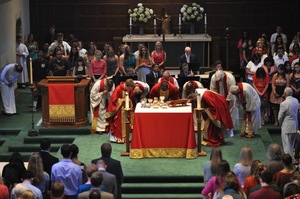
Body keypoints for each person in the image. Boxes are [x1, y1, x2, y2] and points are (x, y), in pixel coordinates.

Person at [106, 79, 135, 143]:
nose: (130, 90)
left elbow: (131, 97)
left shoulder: (129, 89)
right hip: (119, 110)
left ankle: (126, 137)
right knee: (118, 123)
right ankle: (118, 138)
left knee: (127, 122)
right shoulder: (118, 89)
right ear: (127, 86)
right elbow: (114, 100)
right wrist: (122, 100)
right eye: (129, 89)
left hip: (126, 109)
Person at [278, 87, 299, 158]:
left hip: (286, 126)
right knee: (291, 145)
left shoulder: (284, 104)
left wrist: (280, 123)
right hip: (295, 125)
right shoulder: (296, 101)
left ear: (285, 93)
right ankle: (292, 159)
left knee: (286, 146)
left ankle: (288, 161)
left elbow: (280, 117)